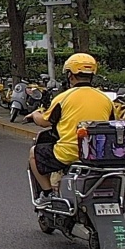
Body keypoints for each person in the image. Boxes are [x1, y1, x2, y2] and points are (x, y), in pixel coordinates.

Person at [28, 53, 114, 197]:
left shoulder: (63, 97)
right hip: (98, 152)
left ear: (70, 75)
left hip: (70, 153)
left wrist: (35, 114)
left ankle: (47, 193)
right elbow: (111, 122)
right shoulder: (105, 99)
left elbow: (44, 121)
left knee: (34, 153)